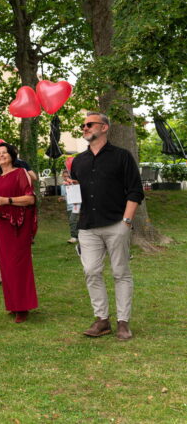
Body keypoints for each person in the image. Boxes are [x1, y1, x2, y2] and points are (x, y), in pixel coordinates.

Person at [68, 112, 144, 340]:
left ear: (104, 127)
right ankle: (102, 320)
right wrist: (73, 187)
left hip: (116, 224)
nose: (84, 128)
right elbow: (78, 196)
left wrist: (126, 222)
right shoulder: (78, 161)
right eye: (83, 125)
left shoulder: (122, 156)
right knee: (91, 271)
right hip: (87, 226)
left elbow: (135, 191)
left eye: (89, 124)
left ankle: (123, 322)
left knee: (121, 273)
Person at [0, 142, 38, 323]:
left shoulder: (20, 173)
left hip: (17, 225)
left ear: (11, 155)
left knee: (18, 265)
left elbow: (30, 199)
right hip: (1, 225)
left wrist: (6, 200)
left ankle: (23, 306)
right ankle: (13, 304)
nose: (1, 156)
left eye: (4, 153)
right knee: (6, 266)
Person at [59, 169, 80, 244]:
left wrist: (72, 184)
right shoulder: (62, 186)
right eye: (64, 176)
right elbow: (65, 196)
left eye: (68, 176)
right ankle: (78, 236)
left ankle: (73, 237)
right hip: (69, 206)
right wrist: (62, 198)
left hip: (76, 205)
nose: (66, 178)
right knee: (73, 222)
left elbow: (78, 192)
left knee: (72, 220)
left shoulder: (75, 184)